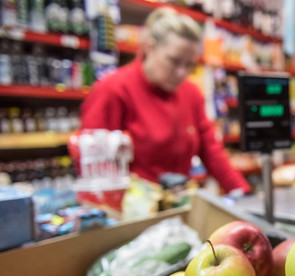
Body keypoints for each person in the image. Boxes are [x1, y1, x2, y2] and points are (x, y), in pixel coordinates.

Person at [80, 7, 251, 195]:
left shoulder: (191, 93)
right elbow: (93, 164)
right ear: (149, 47)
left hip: (178, 206)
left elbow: (212, 151)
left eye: (189, 65)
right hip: (131, 212)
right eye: (174, 61)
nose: (182, 73)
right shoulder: (112, 90)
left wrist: (242, 193)